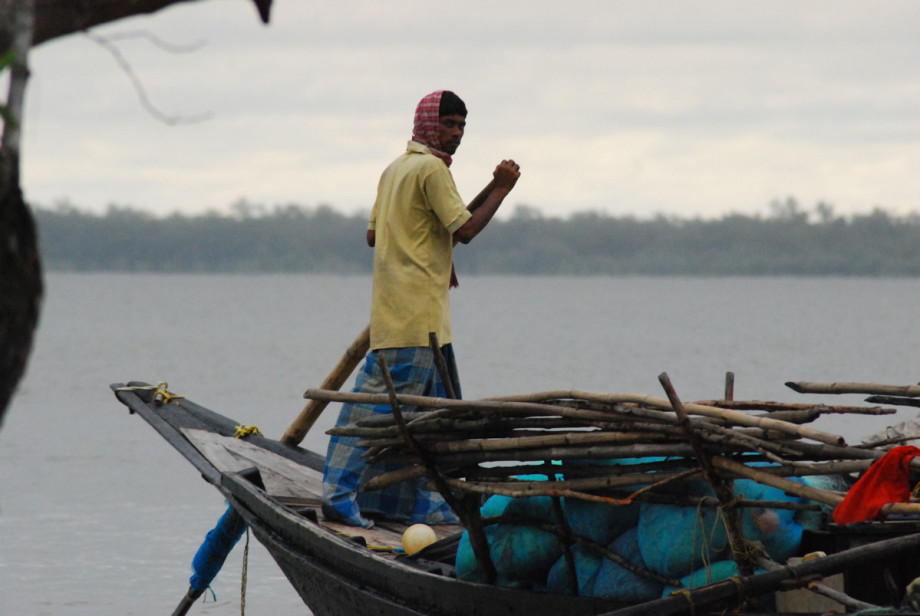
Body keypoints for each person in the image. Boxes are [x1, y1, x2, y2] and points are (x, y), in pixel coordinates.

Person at [322, 90, 521, 528]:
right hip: (416, 320)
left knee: (435, 417)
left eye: (461, 126)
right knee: (375, 411)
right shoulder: (430, 169)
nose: (456, 134)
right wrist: (503, 190)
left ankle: (412, 505)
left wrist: (487, 187)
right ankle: (336, 496)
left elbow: (380, 236)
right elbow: (464, 230)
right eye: (448, 124)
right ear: (429, 124)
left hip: (410, 316)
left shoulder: (396, 169)